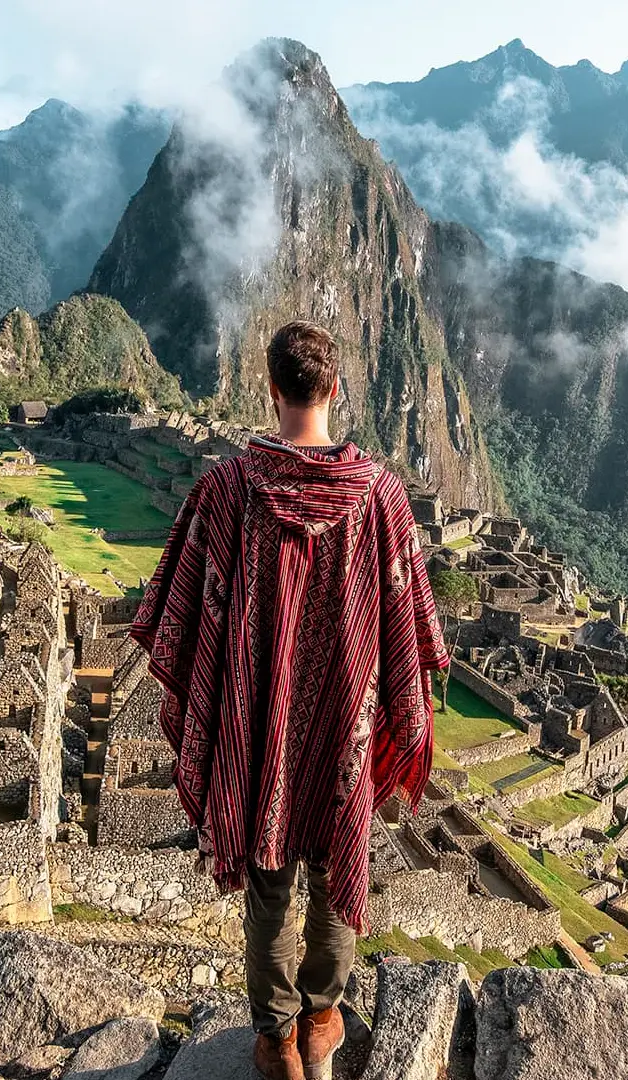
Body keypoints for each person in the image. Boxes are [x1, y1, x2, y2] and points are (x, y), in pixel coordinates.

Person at [130, 321, 447, 1080]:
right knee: (340, 871)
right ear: (335, 390)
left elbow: (179, 617)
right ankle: (322, 1016)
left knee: (268, 883)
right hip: (345, 722)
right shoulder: (382, 499)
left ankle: (274, 1038)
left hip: (256, 729)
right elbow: (410, 628)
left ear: (269, 388)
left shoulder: (226, 491)